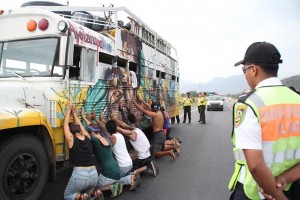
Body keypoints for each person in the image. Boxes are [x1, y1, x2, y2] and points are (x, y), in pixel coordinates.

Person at [228, 41, 300, 200]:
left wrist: (277, 195)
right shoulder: (297, 100)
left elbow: (255, 165)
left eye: (244, 70)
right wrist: (285, 179)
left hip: (255, 192)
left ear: (253, 69)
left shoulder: (249, 104)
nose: (245, 75)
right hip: (292, 187)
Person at [63, 103, 101, 200]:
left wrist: (68, 110)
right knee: (86, 190)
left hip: (80, 174)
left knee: (67, 195)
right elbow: (81, 126)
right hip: (94, 174)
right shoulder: (87, 137)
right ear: (80, 130)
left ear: (71, 132)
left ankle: (81, 197)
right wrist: (75, 113)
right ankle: (94, 193)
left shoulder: (71, 139)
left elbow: (65, 126)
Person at [89, 125, 123, 198]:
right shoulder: (104, 137)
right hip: (117, 169)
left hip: (108, 174)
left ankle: (111, 187)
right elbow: (92, 128)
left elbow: (84, 134)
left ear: (92, 132)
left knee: (90, 188)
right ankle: (116, 184)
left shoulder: (94, 139)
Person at [105, 119, 139, 190]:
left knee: (114, 180)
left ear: (107, 129)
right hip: (129, 163)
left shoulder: (112, 138)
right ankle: (132, 174)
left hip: (122, 166)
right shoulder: (120, 135)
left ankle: (130, 179)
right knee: (124, 174)